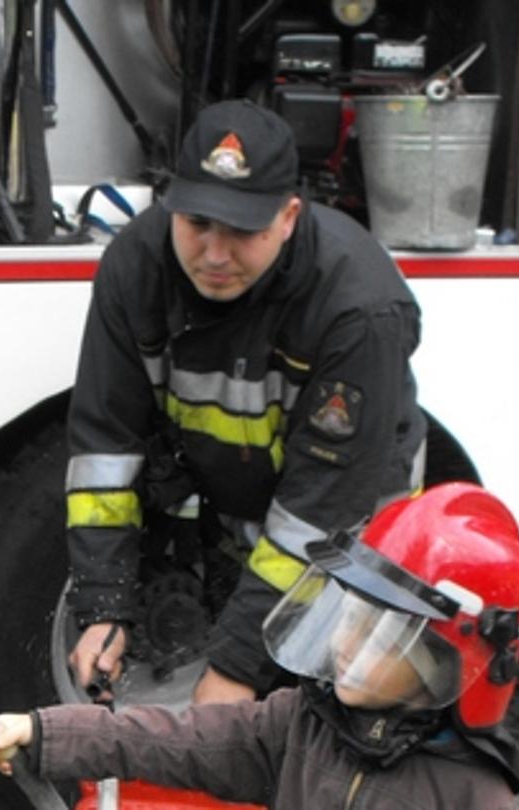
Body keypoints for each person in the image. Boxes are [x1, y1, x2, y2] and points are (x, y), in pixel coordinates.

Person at [64, 99, 427, 705]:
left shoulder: (356, 308)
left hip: (357, 542)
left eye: (241, 230)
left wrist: (236, 667)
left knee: (334, 715)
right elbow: (105, 447)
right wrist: (103, 605)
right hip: (246, 514)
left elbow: (322, 514)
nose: (213, 253)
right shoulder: (134, 267)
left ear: (288, 216)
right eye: (196, 223)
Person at [0, 483, 519, 809]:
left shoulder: (473, 795)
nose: (346, 643)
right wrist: (43, 731)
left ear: (448, 669)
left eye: (382, 637)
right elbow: (174, 740)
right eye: (347, 617)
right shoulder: (300, 724)